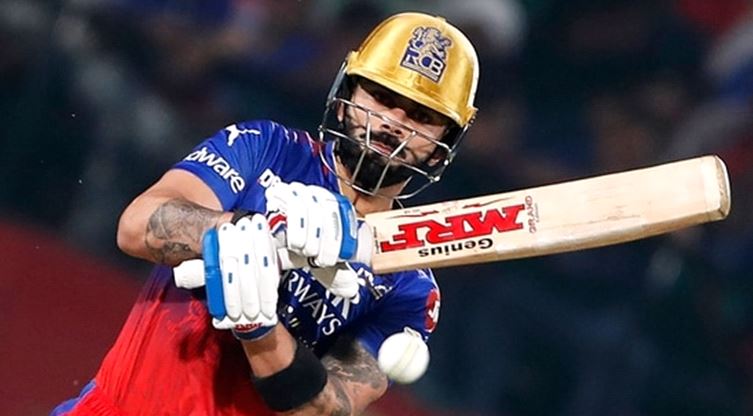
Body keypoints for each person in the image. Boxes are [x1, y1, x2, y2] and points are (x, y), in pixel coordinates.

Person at [52, 11, 479, 415]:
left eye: (422, 116)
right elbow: (136, 226)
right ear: (346, 98)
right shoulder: (266, 147)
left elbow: (326, 408)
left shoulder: (410, 285)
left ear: (444, 145)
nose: (394, 122)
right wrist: (250, 234)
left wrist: (258, 327)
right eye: (383, 97)